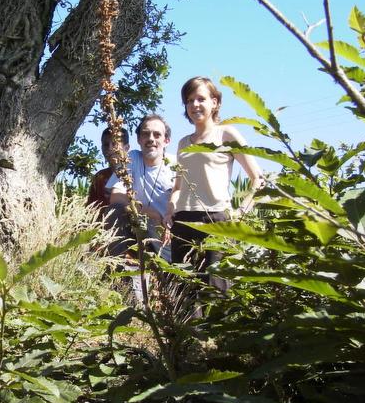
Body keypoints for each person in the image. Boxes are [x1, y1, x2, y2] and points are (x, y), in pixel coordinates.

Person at [164, 76, 263, 286]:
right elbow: (178, 186)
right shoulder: (183, 143)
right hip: (182, 222)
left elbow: (258, 179)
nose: (194, 105)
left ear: (215, 102)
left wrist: (241, 213)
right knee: (183, 293)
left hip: (216, 220)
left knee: (216, 291)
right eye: (189, 100)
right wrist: (170, 209)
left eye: (201, 99)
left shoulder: (226, 134)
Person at [106, 114, 175, 262]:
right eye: (145, 134)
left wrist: (167, 221)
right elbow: (116, 197)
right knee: (116, 210)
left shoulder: (176, 166)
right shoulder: (132, 158)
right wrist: (150, 212)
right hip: (142, 232)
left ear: (167, 140)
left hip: (171, 237)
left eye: (157, 135)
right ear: (139, 139)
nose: (151, 139)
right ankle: (114, 272)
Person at [86, 127, 130, 212]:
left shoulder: (136, 173)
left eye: (114, 144)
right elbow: (91, 210)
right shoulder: (99, 177)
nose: (109, 148)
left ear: (126, 148)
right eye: (106, 144)